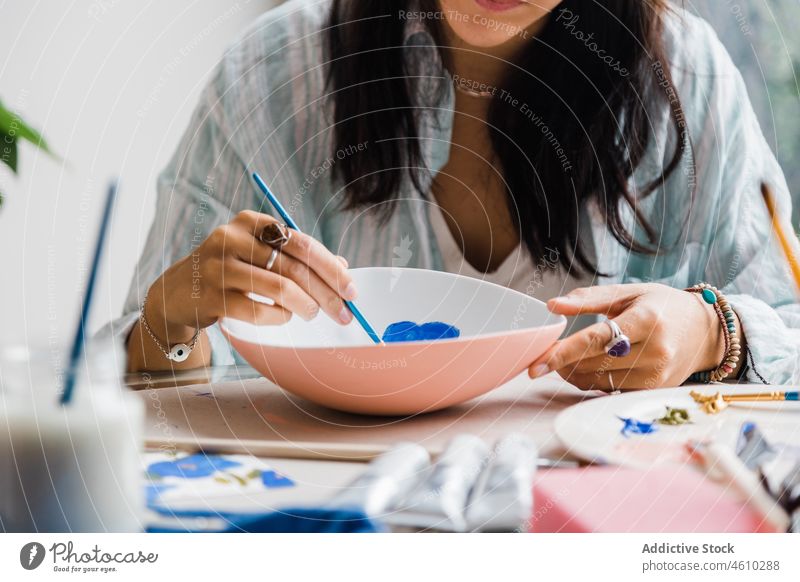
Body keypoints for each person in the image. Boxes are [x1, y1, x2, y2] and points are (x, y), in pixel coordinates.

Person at [108, 0, 800, 389]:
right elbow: (144, 382)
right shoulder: (272, 74)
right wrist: (171, 324)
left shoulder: (686, 79)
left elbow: (788, 324)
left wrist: (712, 331)